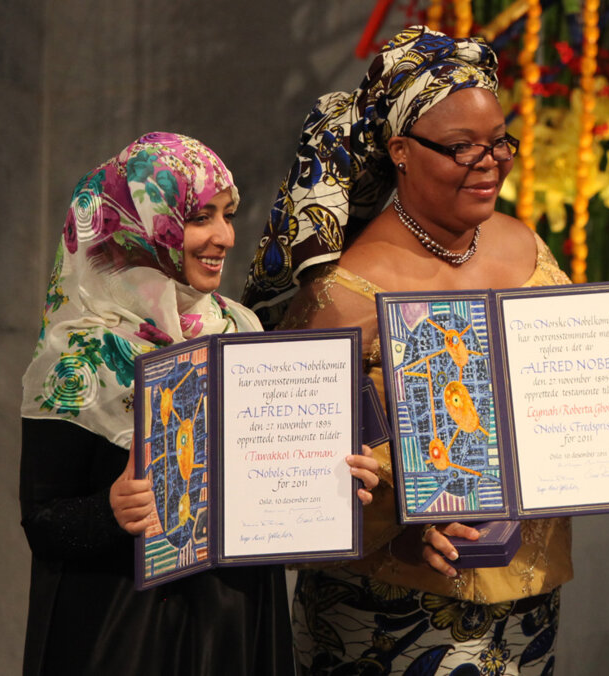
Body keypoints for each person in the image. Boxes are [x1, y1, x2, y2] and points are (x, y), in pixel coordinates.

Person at [242, 26, 609, 675]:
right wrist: (403, 516)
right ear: (402, 150)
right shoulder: (346, 290)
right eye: (461, 148)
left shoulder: (528, 248)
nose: (489, 162)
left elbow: (555, 406)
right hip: (388, 609)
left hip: (528, 605)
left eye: (498, 143)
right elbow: (284, 471)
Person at [19, 132, 380, 676]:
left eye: (227, 215)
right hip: (123, 633)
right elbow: (43, 522)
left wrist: (328, 478)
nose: (225, 236)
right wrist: (110, 513)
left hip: (237, 622)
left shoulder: (241, 328)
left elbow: (262, 490)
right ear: (141, 223)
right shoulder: (77, 358)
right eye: (199, 217)